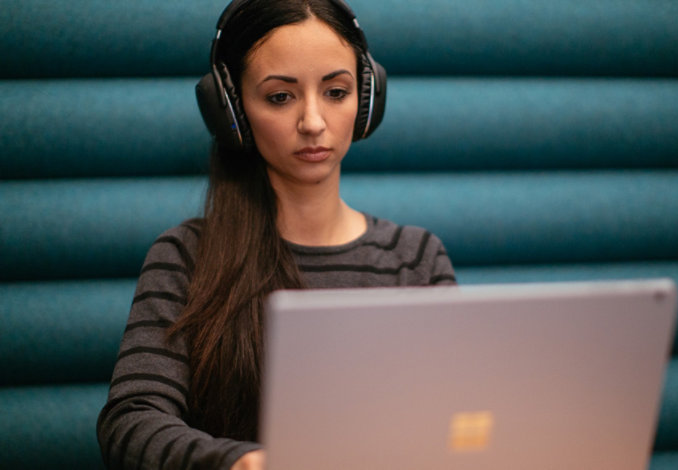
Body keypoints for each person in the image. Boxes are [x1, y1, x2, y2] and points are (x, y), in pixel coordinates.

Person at [96, 0, 456, 468]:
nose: (312, 122)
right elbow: (132, 420)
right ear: (234, 111)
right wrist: (237, 463)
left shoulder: (416, 258)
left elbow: (454, 418)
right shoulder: (187, 257)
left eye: (336, 91)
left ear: (366, 100)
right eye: (280, 97)